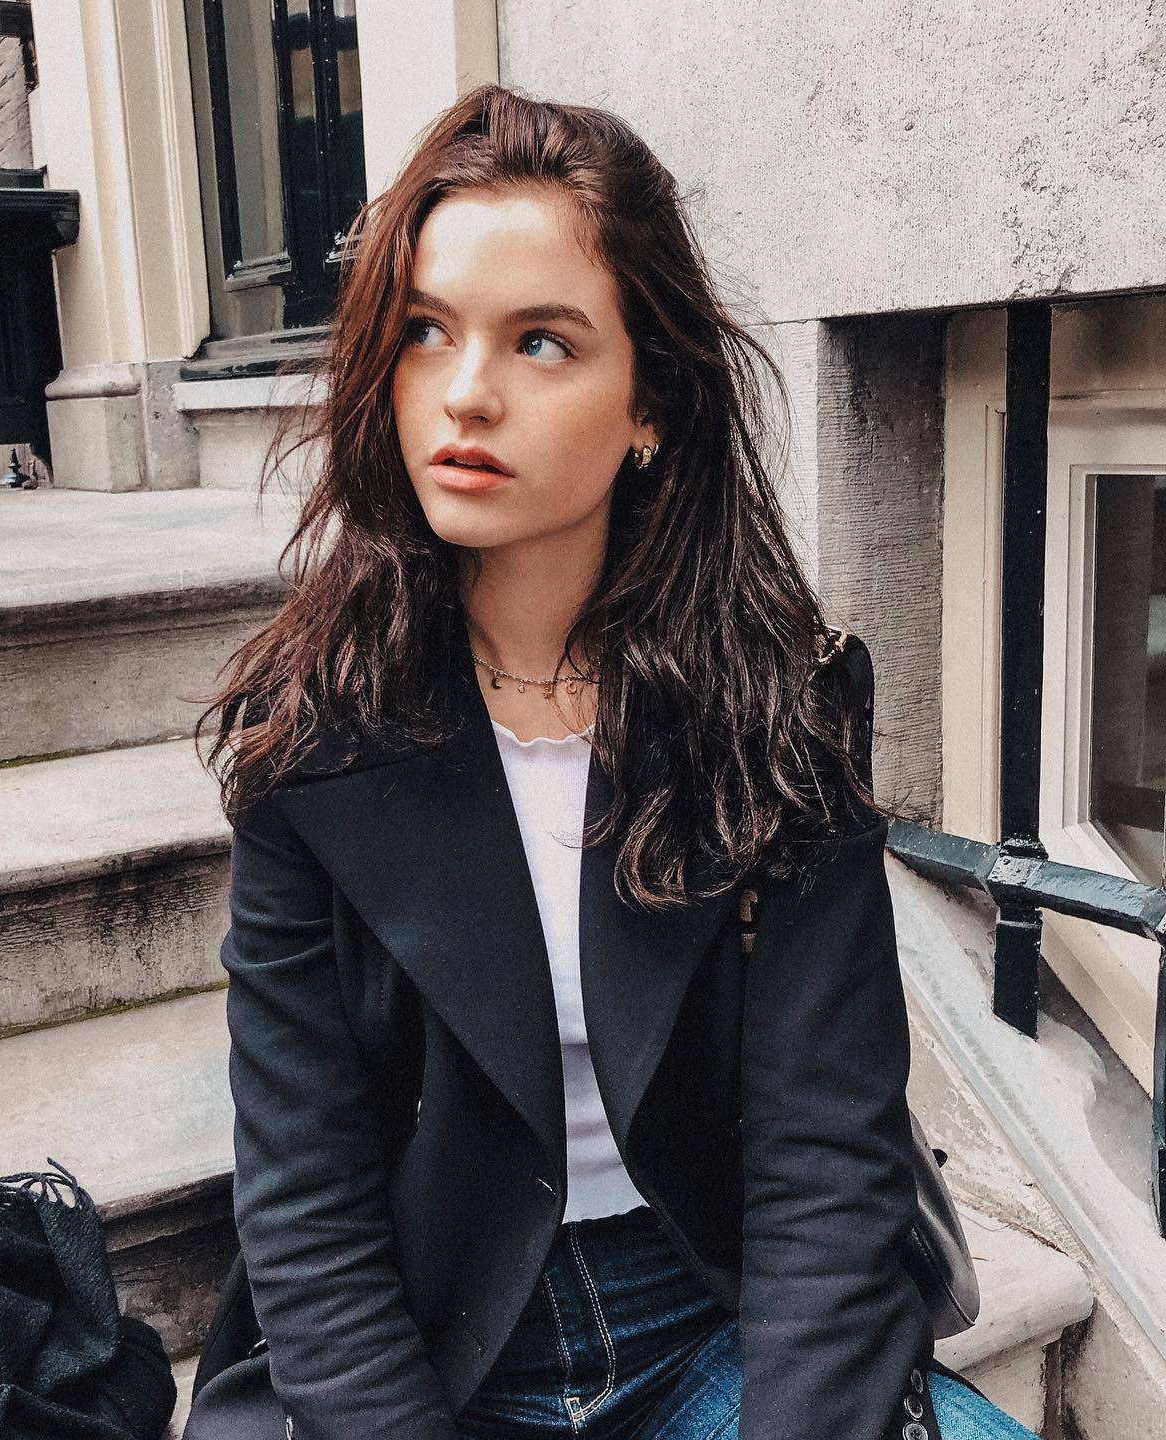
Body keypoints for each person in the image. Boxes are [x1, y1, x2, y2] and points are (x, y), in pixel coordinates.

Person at [186, 84, 1035, 1440]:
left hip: (706, 1314)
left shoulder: (774, 712)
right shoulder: (313, 734)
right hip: (426, 1346)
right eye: (425, 330)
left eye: (541, 341)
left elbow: (826, 1156)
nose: (466, 392)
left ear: (652, 405)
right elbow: (305, 1204)